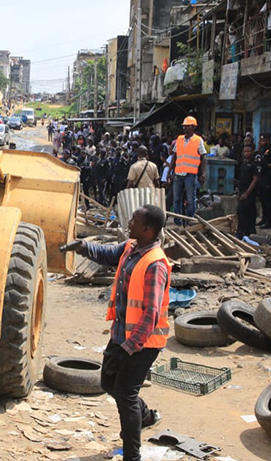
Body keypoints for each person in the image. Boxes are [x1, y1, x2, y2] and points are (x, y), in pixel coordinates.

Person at [62, 205, 170, 461]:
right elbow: (109, 254)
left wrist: (129, 348)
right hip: (121, 334)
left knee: (125, 393)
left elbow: (151, 314)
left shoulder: (156, 265)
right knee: (108, 383)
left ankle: (132, 456)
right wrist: (82, 247)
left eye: (134, 219)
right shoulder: (131, 248)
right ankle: (145, 416)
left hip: (142, 343)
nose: (129, 222)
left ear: (148, 229)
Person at [170, 116, 207, 225]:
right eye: (184, 126)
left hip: (191, 174)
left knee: (191, 200)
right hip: (178, 173)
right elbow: (174, 156)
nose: (184, 128)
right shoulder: (179, 139)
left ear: (193, 127)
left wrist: (203, 173)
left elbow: (203, 157)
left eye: (186, 126)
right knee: (177, 199)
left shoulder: (198, 140)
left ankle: (189, 220)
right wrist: (169, 172)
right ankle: (178, 221)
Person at [257, 133, 271, 228]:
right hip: (261, 177)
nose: (261, 142)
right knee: (262, 199)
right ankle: (263, 218)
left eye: (263, 140)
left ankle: (269, 221)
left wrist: (267, 166)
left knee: (267, 200)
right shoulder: (262, 151)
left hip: (269, 178)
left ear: (268, 140)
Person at [237, 143, 261, 238]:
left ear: (253, 152)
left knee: (242, 209)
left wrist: (246, 193)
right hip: (242, 191)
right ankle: (248, 230)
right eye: (245, 151)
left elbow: (255, 180)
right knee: (248, 211)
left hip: (249, 192)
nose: (246, 153)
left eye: (249, 151)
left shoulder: (254, 164)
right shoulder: (244, 163)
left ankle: (242, 231)